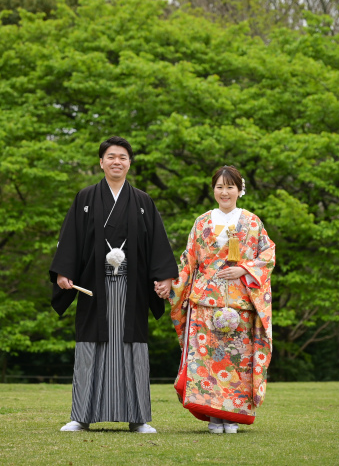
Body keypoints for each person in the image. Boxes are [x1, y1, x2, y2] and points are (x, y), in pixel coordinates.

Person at [50, 136, 177, 433]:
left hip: (133, 288)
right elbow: (70, 239)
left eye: (122, 157)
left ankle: (138, 418)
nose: (116, 161)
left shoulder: (143, 201)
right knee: (89, 346)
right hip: (93, 287)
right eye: (111, 156)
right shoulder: (85, 198)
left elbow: (158, 243)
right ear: (101, 162)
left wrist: (164, 277)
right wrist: (63, 272)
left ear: (129, 163)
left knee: (133, 349)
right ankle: (81, 416)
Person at [168, 165, 275, 434]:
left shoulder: (252, 222)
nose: (224, 192)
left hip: (241, 302)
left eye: (230, 187)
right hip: (205, 301)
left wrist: (244, 269)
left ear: (240, 190)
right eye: (219, 187)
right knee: (206, 362)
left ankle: (233, 416)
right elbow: (188, 260)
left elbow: (268, 255)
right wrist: (171, 283)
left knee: (237, 362)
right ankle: (214, 416)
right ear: (213, 190)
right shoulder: (202, 222)